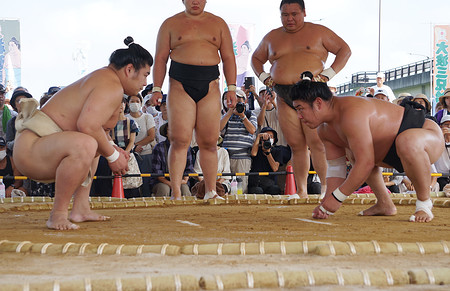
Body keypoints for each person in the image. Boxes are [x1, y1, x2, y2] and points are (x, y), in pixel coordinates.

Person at [13, 36, 153, 230]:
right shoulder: (111, 84)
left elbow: (94, 130)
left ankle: (81, 207)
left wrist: (112, 149)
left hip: (41, 148)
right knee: (87, 143)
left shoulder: (105, 79)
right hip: (32, 150)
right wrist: (113, 157)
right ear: (129, 70)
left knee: (93, 143)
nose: (146, 82)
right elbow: (87, 125)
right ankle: (58, 214)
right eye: (145, 74)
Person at [290, 71, 444, 223]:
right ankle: (384, 203)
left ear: (318, 103)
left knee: (405, 142)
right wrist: (327, 203)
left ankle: (424, 203)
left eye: (300, 108)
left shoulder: (351, 113)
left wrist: (338, 198)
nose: (299, 116)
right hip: (390, 152)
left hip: (426, 136)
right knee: (356, 152)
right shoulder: (323, 129)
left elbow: (367, 162)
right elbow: (336, 168)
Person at [251, 0, 351, 198]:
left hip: (311, 92)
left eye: (294, 14)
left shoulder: (319, 31)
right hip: (283, 93)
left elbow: (344, 50)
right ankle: (301, 191)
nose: (290, 19)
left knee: (317, 143)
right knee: (296, 145)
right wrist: (265, 78)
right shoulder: (272, 37)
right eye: (285, 14)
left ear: (304, 12)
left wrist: (327, 74)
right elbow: (256, 59)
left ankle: (325, 189)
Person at [150, 0, 237, 200]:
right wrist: (156, 88)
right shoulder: (170, 24)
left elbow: (228, 57)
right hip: (180, 83)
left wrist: (231, 87)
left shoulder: (219, 23)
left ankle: (210, 190)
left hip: (211, 84)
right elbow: (161, 58)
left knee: (209, 141)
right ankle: (177, 192)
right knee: (180, 140)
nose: (195, 1)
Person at [220, 89, 257, 193]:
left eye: (239, 99)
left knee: (240, 188)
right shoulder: (227, 115)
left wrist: (242, 116)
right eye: (234, 99)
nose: (237, 102)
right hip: (227, 157)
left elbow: (252, 130)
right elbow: (218, 129)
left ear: (245, 101)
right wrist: (230, 112)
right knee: (225, 185)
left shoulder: (250, 115)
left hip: (243, 158)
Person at [151, 123, 194, 197]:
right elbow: (157, 172)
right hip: (162, 182)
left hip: (182, 181)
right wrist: (171, 184)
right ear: (166, 133)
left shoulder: (186, 147)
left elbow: (189, 169)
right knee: (164, 189)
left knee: (185, 190)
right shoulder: (158, 147)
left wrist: (184, 181)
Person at [127, 93, 156, 196]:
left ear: (141, 103)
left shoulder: (148, 117)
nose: (135, 104)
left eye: (137, 101)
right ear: (127, 103)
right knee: (131, 183)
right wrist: (133, 147)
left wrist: (137, 145)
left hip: (146, 154)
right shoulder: (125, 118)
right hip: (130, 156)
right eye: (132, 101)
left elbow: (151, 136)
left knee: (146, 183)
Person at [248, 127, 282, 195]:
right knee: (257, 191)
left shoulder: (277, 151)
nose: (268, 139)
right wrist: (258, 136)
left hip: (269, 182)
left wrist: (268, 152)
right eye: (265, 137)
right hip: (256, 182)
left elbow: (275, 168)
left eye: (270, 137)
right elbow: (253, 154)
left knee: (275, 190)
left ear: (274, 139)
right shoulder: (257, 149)